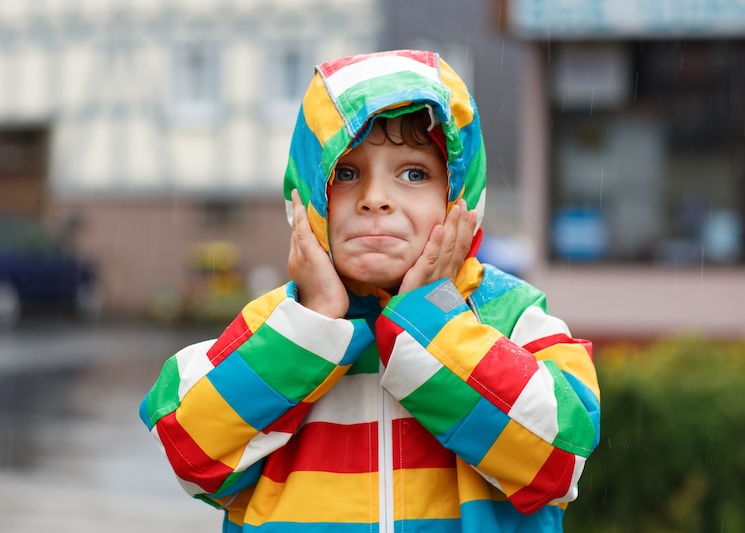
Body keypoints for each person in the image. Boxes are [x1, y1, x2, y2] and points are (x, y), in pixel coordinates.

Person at [140, 49, 600, 532]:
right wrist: (314, 321)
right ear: (311, 198)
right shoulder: (280, 323)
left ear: (459, 196)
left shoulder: (511, 315)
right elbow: (190, 455)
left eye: (414, 173)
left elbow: (558, 460)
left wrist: (433, 320)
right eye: (347, 173)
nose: (375, 199)